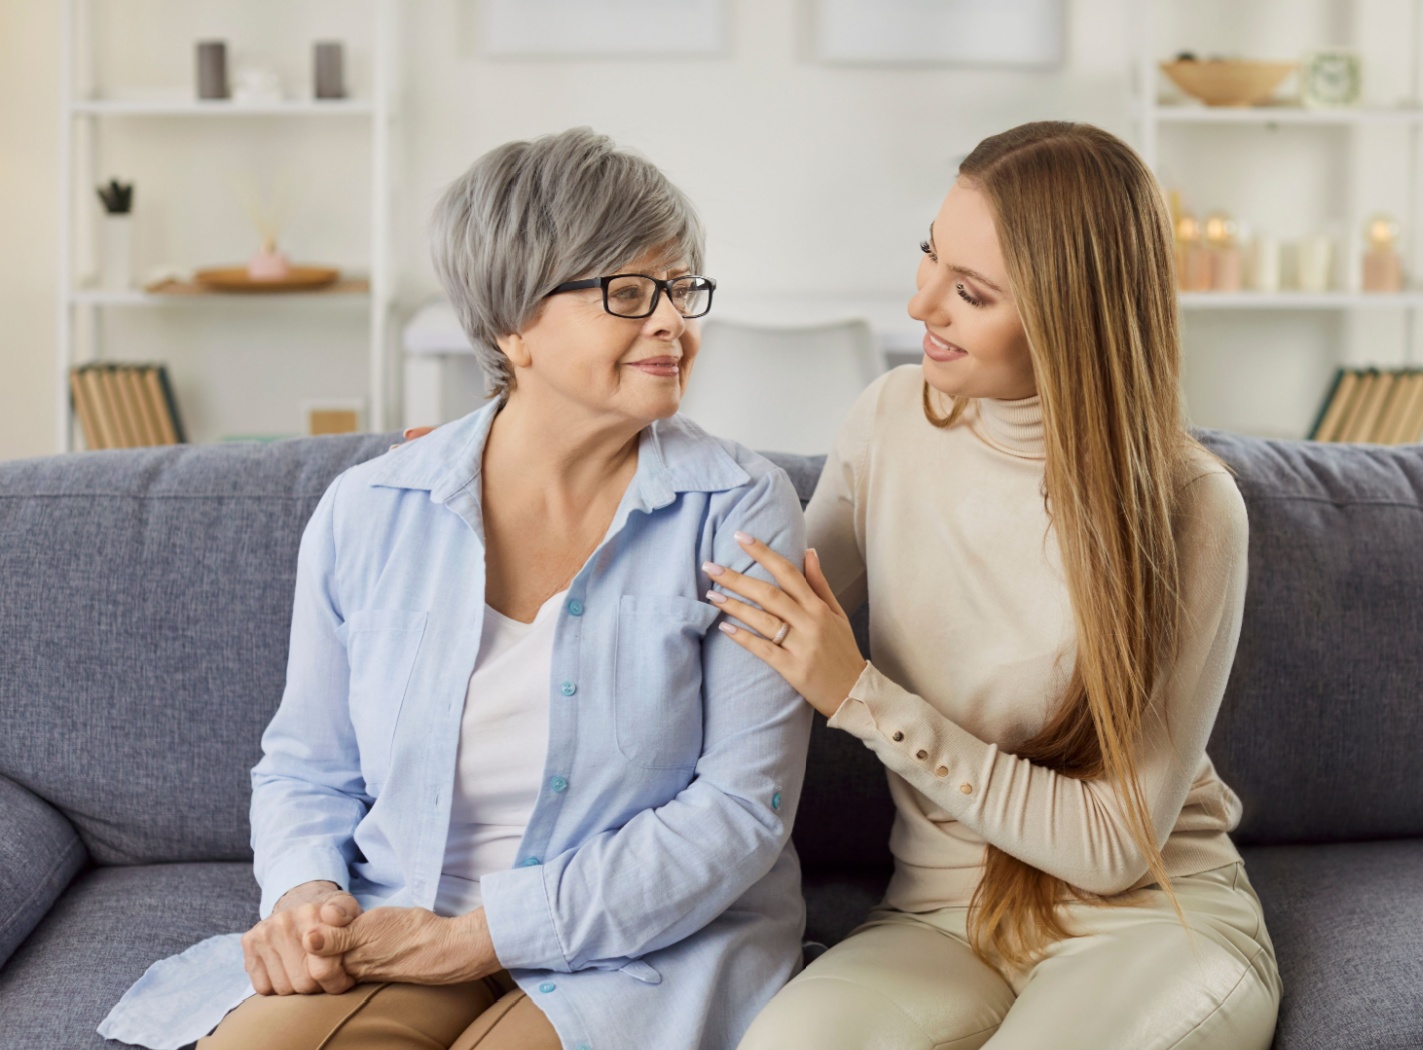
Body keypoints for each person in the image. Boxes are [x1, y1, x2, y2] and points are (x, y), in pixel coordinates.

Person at [97, 128, 812, 1050]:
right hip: (397, 916)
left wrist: (473, 940)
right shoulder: (371, 508)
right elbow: (308, 766)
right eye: (631, 295)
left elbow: (737, 812)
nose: (674, 323)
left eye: (682, 290)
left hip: (647, 950)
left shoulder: (737, 505)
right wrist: (307, 895)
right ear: (512, 323)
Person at [716, 121, 1282, 1049]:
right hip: (941, 920)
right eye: (929, 258)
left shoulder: (1192, 507)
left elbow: (1109, 848)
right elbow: (747, 613)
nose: (918, 303)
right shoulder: (891, 420)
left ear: (1071, 319)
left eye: (970, 293)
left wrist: (861, 698)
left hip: (1147, 921)